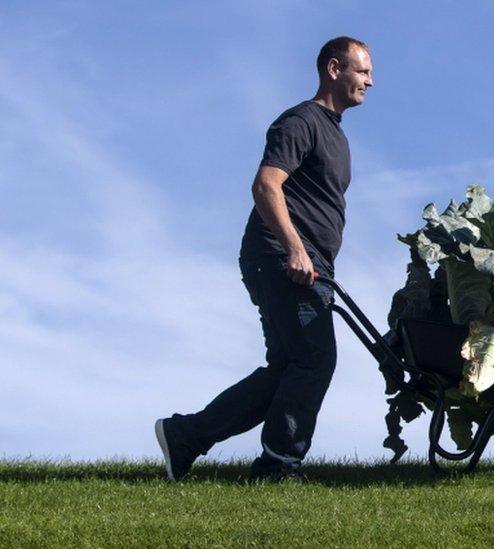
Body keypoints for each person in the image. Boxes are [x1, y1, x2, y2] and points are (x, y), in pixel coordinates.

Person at [154, 36, 373, 482]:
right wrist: (295, 248)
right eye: (362, 71)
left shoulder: (336, 135)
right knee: (314, 360)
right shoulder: (301, 122)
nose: (370, 81)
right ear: (334, 69)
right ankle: (277, 466)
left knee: (287, 369)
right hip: (282, 258)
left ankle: (185, 437)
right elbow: (265, 186)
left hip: (308, 263)